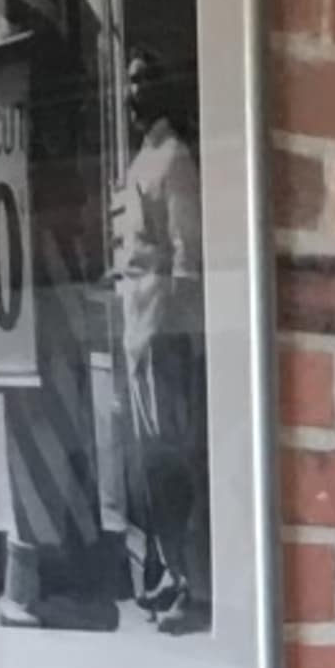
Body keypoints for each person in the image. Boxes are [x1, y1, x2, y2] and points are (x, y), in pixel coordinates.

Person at [114, 56, 209, 634]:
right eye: (129, 83)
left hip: (165, 335)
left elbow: (186, 256)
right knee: (154, 465)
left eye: (143, 82)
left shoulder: (174, 160)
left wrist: (181, 335)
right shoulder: (141, 161)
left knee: (177, 463)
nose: (132, 93)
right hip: (139, 334)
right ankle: (173, 574)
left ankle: (195, 589)